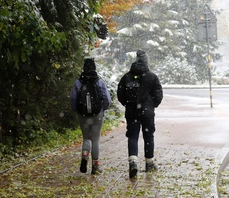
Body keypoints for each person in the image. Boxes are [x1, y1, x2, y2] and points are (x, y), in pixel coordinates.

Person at [117, 50, 163, 178]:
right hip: (147, 113)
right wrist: (152, 105)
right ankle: (149, 163)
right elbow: (158, 95)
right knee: (148, 136)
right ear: (147, 62)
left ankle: (133, 162)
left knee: (133, 136)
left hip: (132, 112)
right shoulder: (152, 77)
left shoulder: (127, 77)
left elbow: (120, 93)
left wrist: (127, 104)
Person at [70, 58, 112, 175]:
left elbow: (73, 98)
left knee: (86, 138)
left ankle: (84, 155)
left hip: (82, 114)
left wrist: (76, 110)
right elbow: (107, 99)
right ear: (94, 68)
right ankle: (95, 166)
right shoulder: (99, 82)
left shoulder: (78, 82)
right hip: (97, 114)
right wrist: (102, 109)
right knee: (95, 139)